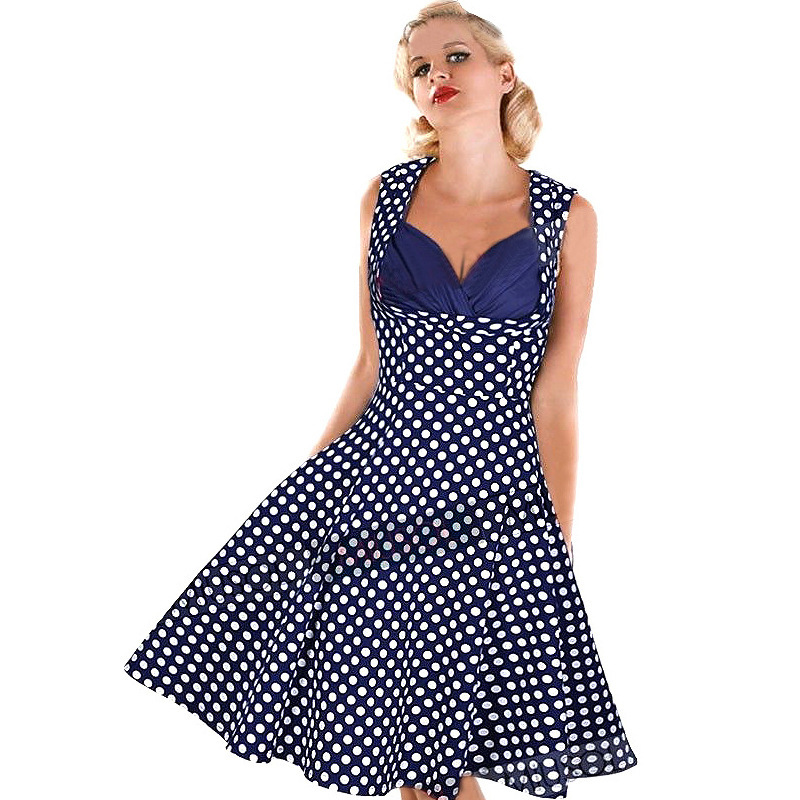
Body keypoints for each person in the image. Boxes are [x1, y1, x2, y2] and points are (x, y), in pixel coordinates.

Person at [123, 4, 638, 800]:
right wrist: (306, 491)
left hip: (494, 502)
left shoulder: (567, 216)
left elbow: (558, 389)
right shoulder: (385, 198)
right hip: (381, 487)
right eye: (420, 69)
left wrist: (557, 534)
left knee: (441, 753)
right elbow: (369, 362)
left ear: (504, 74)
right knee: (406, 750)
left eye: (456, 57)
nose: (437, 76)